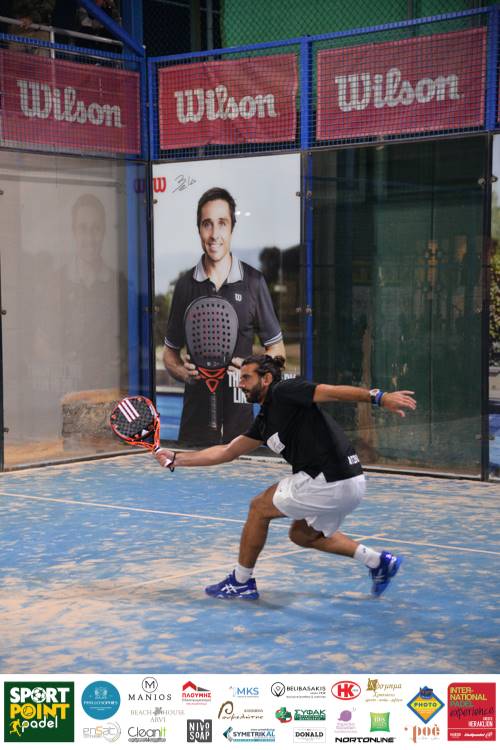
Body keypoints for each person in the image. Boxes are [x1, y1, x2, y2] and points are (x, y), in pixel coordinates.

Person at [154, 354, 417, 599]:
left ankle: (241, 581)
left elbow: (331, 392)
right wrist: (176, 458)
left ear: (266, 379)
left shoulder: (284, 391)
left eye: (247, 378)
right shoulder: (265, 421)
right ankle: (378, 562)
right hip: (350, 482)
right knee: (303, 535)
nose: (241, 384)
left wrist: (379, 397)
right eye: (240, 378)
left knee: (259, 508)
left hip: (329, 478)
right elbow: (227, 451)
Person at [163, 187, 285, 446]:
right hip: (194, 427)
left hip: (241, 428)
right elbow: (170, 354)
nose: (214, 234)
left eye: (222, 223)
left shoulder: (254, 282)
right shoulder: (185, 285)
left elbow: (277, 350)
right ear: (199, 229)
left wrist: (254, 370)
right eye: (207, 224)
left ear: (232, 228)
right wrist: (183, 373)